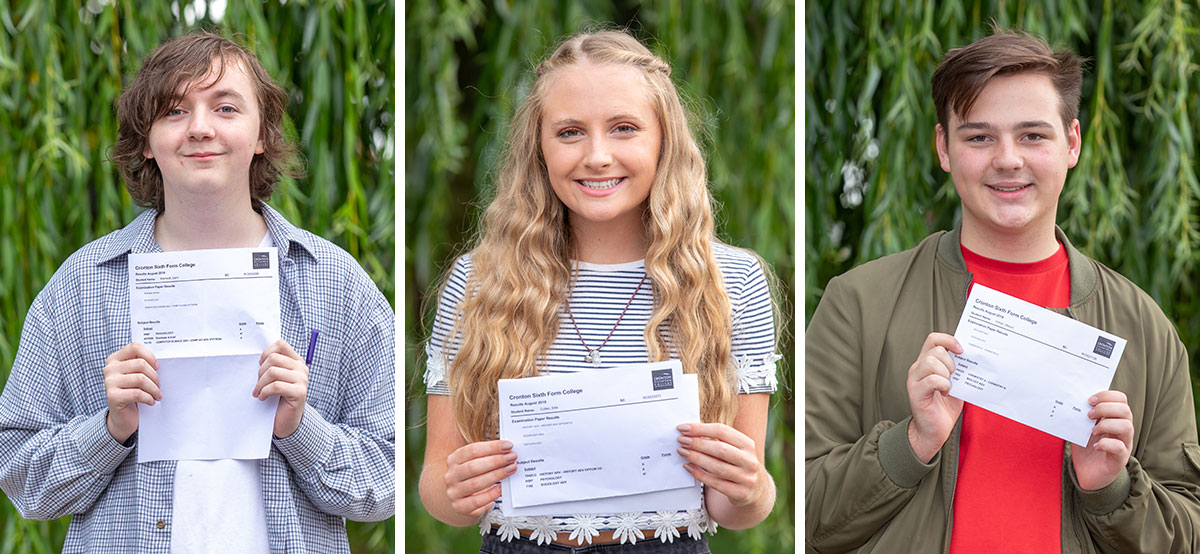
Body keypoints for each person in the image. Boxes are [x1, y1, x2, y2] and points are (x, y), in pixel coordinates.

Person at [805, 29, 1200, 553]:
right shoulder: (857, 303)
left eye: (1033, 136)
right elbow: (807, 519)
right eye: (979, 137)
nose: (1008, 159)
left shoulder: (1144, 328)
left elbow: (1187, 535)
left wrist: (1111, 487)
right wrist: (912, 443)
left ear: (1073, 143)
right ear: (944, 148)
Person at [0, 32, 394, 553]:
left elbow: (384, 485)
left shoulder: (338, 285)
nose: (201, 128)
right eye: (175, 111)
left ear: (261, 134)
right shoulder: (79, 289)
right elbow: (21, 479)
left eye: (226, 107)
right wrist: (110, 428)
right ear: (146, 141)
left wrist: (300, 429)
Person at [418, 30, 782, 552]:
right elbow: (436, 487)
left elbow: (737, 506)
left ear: (663, 140)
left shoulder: (731, 282)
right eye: (569, 132)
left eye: (624, 128)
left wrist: (749, 487)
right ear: (538, 148)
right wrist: (457, 490)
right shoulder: (479, 280)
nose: (597, 156)